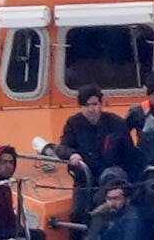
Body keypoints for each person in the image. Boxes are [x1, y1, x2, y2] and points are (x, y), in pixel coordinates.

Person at [57, 84, 134, 222]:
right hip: (85, 180)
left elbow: (130, 153)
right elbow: (63, 147)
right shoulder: (73, 123)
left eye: (94, 104)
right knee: (78, 215)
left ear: (101, 104)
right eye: (86, 105)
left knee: (105, 212)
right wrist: (71, 154)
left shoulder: (117, 123)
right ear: (80, 107)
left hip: (112, 180)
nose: (91, 109)